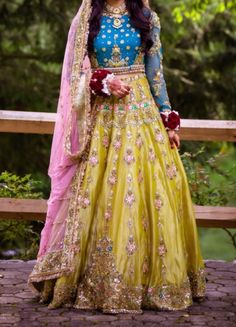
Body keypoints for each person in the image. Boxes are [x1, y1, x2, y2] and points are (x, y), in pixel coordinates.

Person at [28, 0, 206, 313]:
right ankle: (94, 281)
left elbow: (156, 72)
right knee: (103, 198)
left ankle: (151, 283)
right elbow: (72, 76)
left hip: (142, 118)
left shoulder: (147, 17)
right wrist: (101, 81)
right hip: (102, 123)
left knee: (149, 196)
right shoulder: (86, 17)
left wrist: (168, 118)